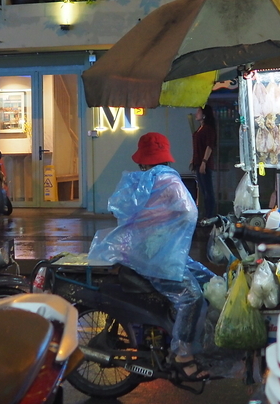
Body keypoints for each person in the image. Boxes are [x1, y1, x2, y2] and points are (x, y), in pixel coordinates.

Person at [89, 132, 212, 379]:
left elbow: (121, 211)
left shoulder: (138, 181)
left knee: (207, 280)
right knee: (192, 297)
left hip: (143, 254)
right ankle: (182, 355)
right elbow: (189, 212)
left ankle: (189, 338)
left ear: (143, 160)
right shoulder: (168, 180)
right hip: (156, 258)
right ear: (165, 157)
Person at [191, 105, 217, 218]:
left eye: (199, 112)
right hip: (198, 161)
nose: (196, 114)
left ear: (204, 115)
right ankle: (205, 213)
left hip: (204, 163)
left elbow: (209, 146)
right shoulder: (200, 128)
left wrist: (204, 161)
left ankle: (209, 214)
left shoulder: (208, 129)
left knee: (207, 190)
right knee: (203, 189)